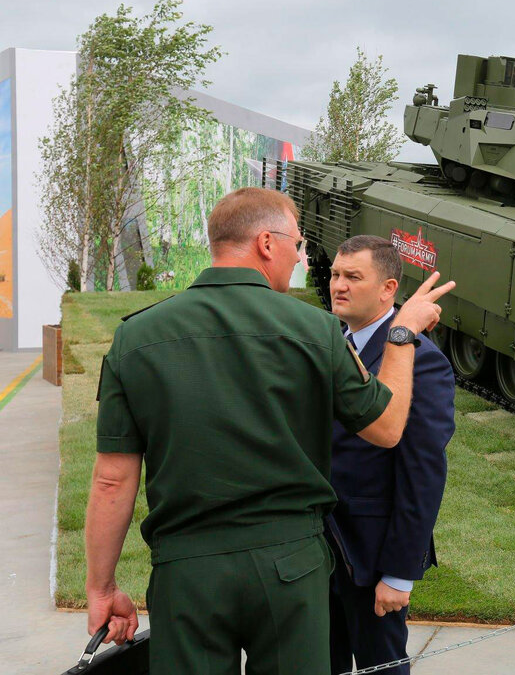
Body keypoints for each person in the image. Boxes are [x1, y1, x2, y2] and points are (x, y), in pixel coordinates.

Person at [84, 187, 454, 675]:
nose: (302, 259)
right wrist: (402, 336)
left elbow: (112, 479)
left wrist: (102, 588)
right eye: (298, 245)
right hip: (292, 570)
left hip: (187, 573)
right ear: (265, 243)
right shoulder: (315, 331)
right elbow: (386, 429)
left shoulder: (134, 337)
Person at [325, 236, 456, 674]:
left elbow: (423, 472)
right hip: (315, 553)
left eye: (353, 277)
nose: (338, 285)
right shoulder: (328, 344)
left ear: (388, 289)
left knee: (382, 668)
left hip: (371, 558)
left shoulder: (423, 362)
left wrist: (399, 574)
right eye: (334, 275)